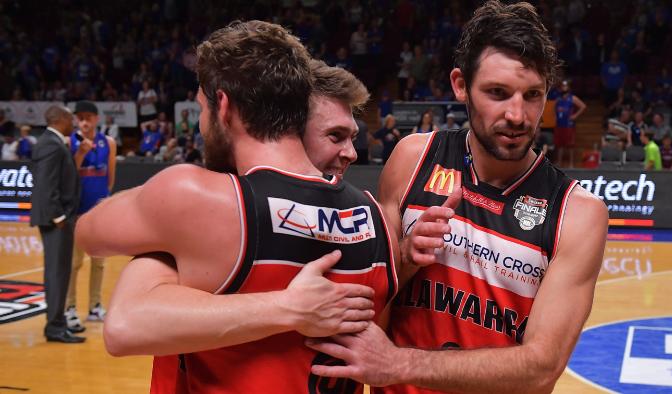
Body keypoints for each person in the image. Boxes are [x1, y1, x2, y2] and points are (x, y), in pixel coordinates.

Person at [76, 21, 396, 393]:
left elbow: (88, 233)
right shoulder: (378, 219)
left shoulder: (202, 198)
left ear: (223, 106)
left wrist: (167, 244)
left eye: (201, 108)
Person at [306, 2, 608, 392]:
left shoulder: (578, 213)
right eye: (498, 93)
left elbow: (540, 367)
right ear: (460, 84)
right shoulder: (413, 158)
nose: (518, 115)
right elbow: (370, 305)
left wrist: (399, 364)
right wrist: (404, 257)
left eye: (533, 95)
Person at [29, 105, 85, 344]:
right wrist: (59, 217)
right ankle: (54, 327)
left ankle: (59, 323)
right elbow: (45, 184)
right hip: (55, 221)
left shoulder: (54, 142)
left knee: (60, 272)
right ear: (60, 119)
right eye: (70, 118)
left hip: (58, 219)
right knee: (56, 273)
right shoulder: (50, 144)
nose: (73, 121)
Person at [64, 101, 117, 332]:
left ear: (96, 119)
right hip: (77, 210)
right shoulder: (70, 142)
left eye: (88, 117)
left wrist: (105, 204)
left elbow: (110, 177)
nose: (84, 122)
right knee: (74, 263)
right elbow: (67, 175)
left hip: (98, 212)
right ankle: (69, 308)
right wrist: (80, 154)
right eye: (80, 118)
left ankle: (95, 306)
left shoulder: (109, 142)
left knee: (99, 263)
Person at [554, 80, 586, 167]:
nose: (564, 88)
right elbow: (555, 110)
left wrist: (575, 116)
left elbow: (583, 106)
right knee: (559, 145)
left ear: (568, 87)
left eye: (565, 86)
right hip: (559, 124)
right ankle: (559, 163)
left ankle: (571, 164)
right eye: (562, 86)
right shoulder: (558, 99)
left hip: (569, 124)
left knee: (570, 145)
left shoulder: (572, 98)